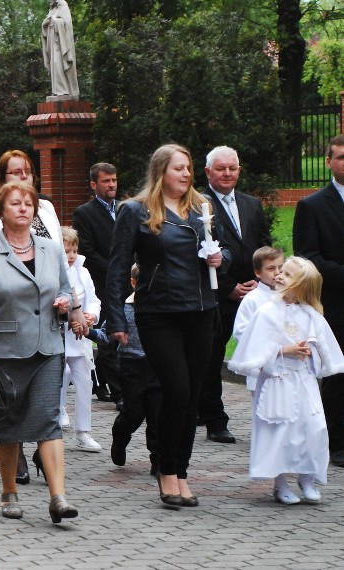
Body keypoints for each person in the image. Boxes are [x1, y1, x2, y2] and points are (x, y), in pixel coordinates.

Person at [105, 143, 226, 508]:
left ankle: (181, 472)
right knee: (175, 389)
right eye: (179, 168)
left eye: (189, 167)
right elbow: (117, 266)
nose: (186, 174)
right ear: (161, 172)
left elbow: (224, 249)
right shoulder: (135, 211)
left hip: (201, 310)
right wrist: (115, 319)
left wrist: (222, 256)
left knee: (190, 395)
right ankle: (166, 472)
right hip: (159, 313)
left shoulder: (202, 207)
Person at [0, 149, 85, 485]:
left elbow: (60, 269)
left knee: (47, 410)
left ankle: (55, 483)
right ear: (1, 179)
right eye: (15, 172)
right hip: (6, 321)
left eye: (27, 171)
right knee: (9, 407)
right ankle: (12, 471)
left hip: (46, 325)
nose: (23, 177)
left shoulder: (43, 207)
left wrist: (70, 306)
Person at [229, 256, 344, 505]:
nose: (280, 275)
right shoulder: (267, 311)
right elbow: (256, 348)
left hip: (303, 380)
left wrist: (314, 353)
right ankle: (280, 483)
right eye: (280, 271)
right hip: (277, 381)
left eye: (287, 274)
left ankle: (307, 478)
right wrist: (283, 351)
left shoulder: (310, 314)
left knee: (312, 428)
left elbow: (324, 346)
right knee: (280, 431)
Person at [199, 146, 271, 444]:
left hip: (254, 292)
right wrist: (230, 288)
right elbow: (203, 248)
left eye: (232, 168)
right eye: (221, 169)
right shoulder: (199, 204)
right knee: (212, 357)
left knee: (263, 353)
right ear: (208, 172)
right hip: (219, 294)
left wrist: (260, 280)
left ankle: (268, 415)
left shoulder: (252, 204)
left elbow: (265, 244)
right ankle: (215, 420)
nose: (227, 173)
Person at [293, 134, 344, 468]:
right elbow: (307, 258)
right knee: (338, 375)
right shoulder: (312, 206)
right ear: (328, 162)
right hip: (336, 303)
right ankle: (336, 443)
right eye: (340, 157)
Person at [89, 264, 161, 476]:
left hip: (157, 365)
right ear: (133, 282)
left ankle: (158, 460)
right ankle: (120, 436)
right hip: (131, 366)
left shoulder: (162, 308)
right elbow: (105, 335)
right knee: (134, 413)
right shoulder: (123, 308)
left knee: (158, 415)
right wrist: (88, 332)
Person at [73, 162, 121, 405]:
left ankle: (101, 382)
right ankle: (118, 391)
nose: (111, 184)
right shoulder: (85, 213)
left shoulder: (124, 209)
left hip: (126, 282)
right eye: (106, 181)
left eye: (113, 180)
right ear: (94, 185)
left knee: (117, 334)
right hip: (102, 282)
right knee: (108, 335)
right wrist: (115, 270)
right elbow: (88, 251)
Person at [59, 226, 101, 452]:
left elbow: (94, 299)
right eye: (66, 251)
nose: (71, 256)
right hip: (59, 334)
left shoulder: (83, 272)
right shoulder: (55, 272)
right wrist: (69, 318)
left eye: (74, 250)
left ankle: (83, 431)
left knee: (85, 381)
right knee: (58, 378)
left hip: (80, 336)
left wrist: (91, 315)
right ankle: (57, 414)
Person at [233, 247, 285, 394]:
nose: (277, 273)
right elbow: (241, 332)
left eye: (281, 268)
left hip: (288, 365)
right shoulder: (252, 299)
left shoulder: (289, 296)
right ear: (258, 272)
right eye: (271, 268)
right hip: (261, 367)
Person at [41, 0, 79, 100]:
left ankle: (64, 91)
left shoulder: (63, 6)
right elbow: (45, 30)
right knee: (54, 65)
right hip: (52, 43)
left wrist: (54, 20)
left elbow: (66, 24)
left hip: (60, 43)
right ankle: (57, 91)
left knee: (58, 63)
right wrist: (44, 25)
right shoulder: (51, 10)